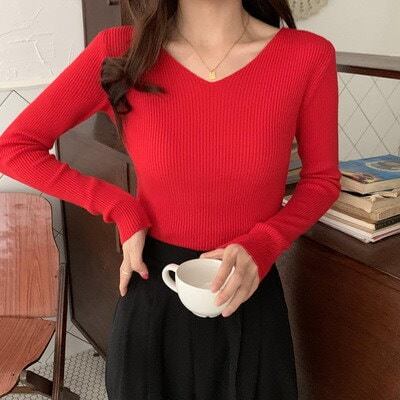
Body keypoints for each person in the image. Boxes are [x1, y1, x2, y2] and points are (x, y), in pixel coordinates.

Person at [0, 0, 341, 399]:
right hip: (153, 296)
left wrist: (265, 243)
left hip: (249, 291)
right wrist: (120, 207)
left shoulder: (307, 56)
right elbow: (15, 148)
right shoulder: (120, 51)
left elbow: (322, 181)